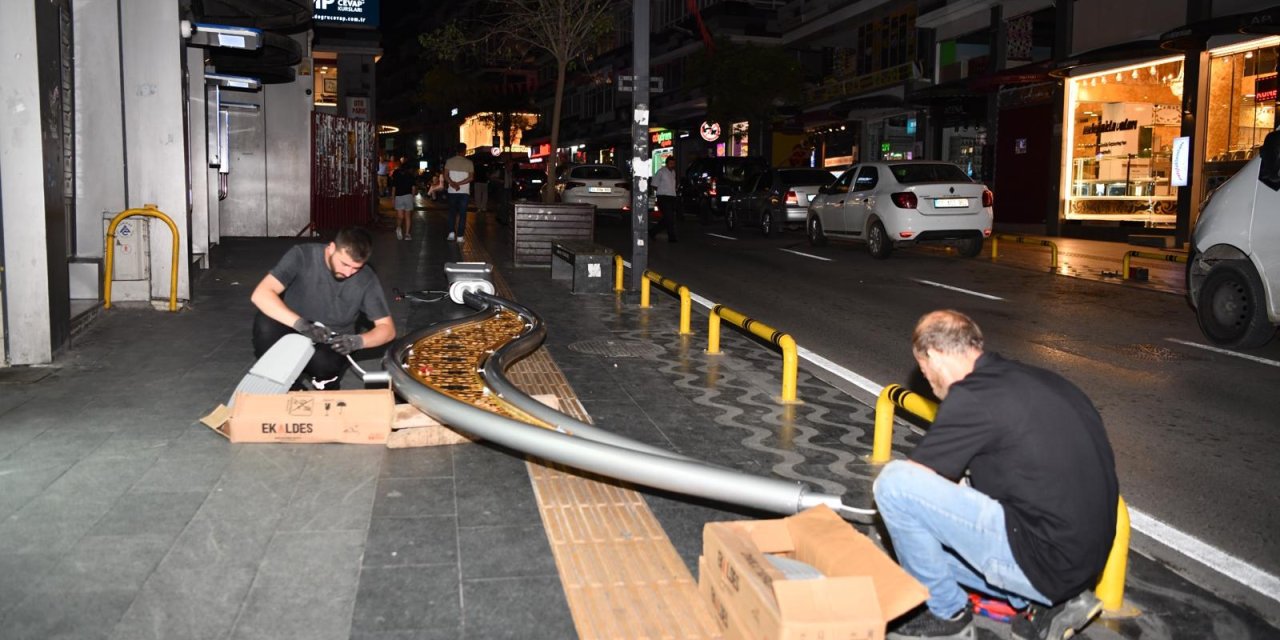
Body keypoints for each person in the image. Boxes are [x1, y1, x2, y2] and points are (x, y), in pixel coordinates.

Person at [875, 309, 1117, 640]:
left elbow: (913, 481)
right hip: (1085, 562)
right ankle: (1046, 602)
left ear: (933, 355)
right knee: (920, 547)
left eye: (923, 369)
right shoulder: (1040, 381)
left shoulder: (972, 395)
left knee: (894, 487)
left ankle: (947, 615)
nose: (928, 382)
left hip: (1046, 562)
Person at [250, 227, 395, 391]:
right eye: (345, 264)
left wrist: (357, 342)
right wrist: (302, 325)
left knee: (324, 363)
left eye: (356, 268)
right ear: (331, 248)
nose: (348, 272)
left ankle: (326, 382)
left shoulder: (366, 278)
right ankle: (292, 387)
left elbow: (388, 329)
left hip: (330, 340)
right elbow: (261, 294)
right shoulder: (302, 256)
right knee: (265, 324)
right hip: (293, 326)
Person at [444, 143, 474, 243]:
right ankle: (460, 236)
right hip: (464, 192)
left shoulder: (449, 161)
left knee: (452, 213)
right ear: (464, 151)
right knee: (462, 214)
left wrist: (453, 183)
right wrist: (459, 184)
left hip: (452, 191)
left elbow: (445, 176)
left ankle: (451, 233)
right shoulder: (469, 163)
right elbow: (470, 178)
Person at [649, 156, 679, 242]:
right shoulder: (661, 172)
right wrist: (660, 192)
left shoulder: (673, 172)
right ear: (667, 163)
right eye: (670, 163)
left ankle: (652, 232)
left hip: (672, 197)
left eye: (673, 163)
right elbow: (654, 185)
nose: (672, 165)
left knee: (668, 218)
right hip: (663, 197)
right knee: (669, 218)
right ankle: (672, 237)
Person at [390, 157, 416, 240]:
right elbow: (413, 188)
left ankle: (401, 230)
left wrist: (393, 198)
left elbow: (394, 186)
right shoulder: (410, 174)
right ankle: (405, 233)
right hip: (407, 196)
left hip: (399, 196)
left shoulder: (396, 173)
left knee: (400, 216)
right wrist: (413, 197)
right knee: (407, 216)